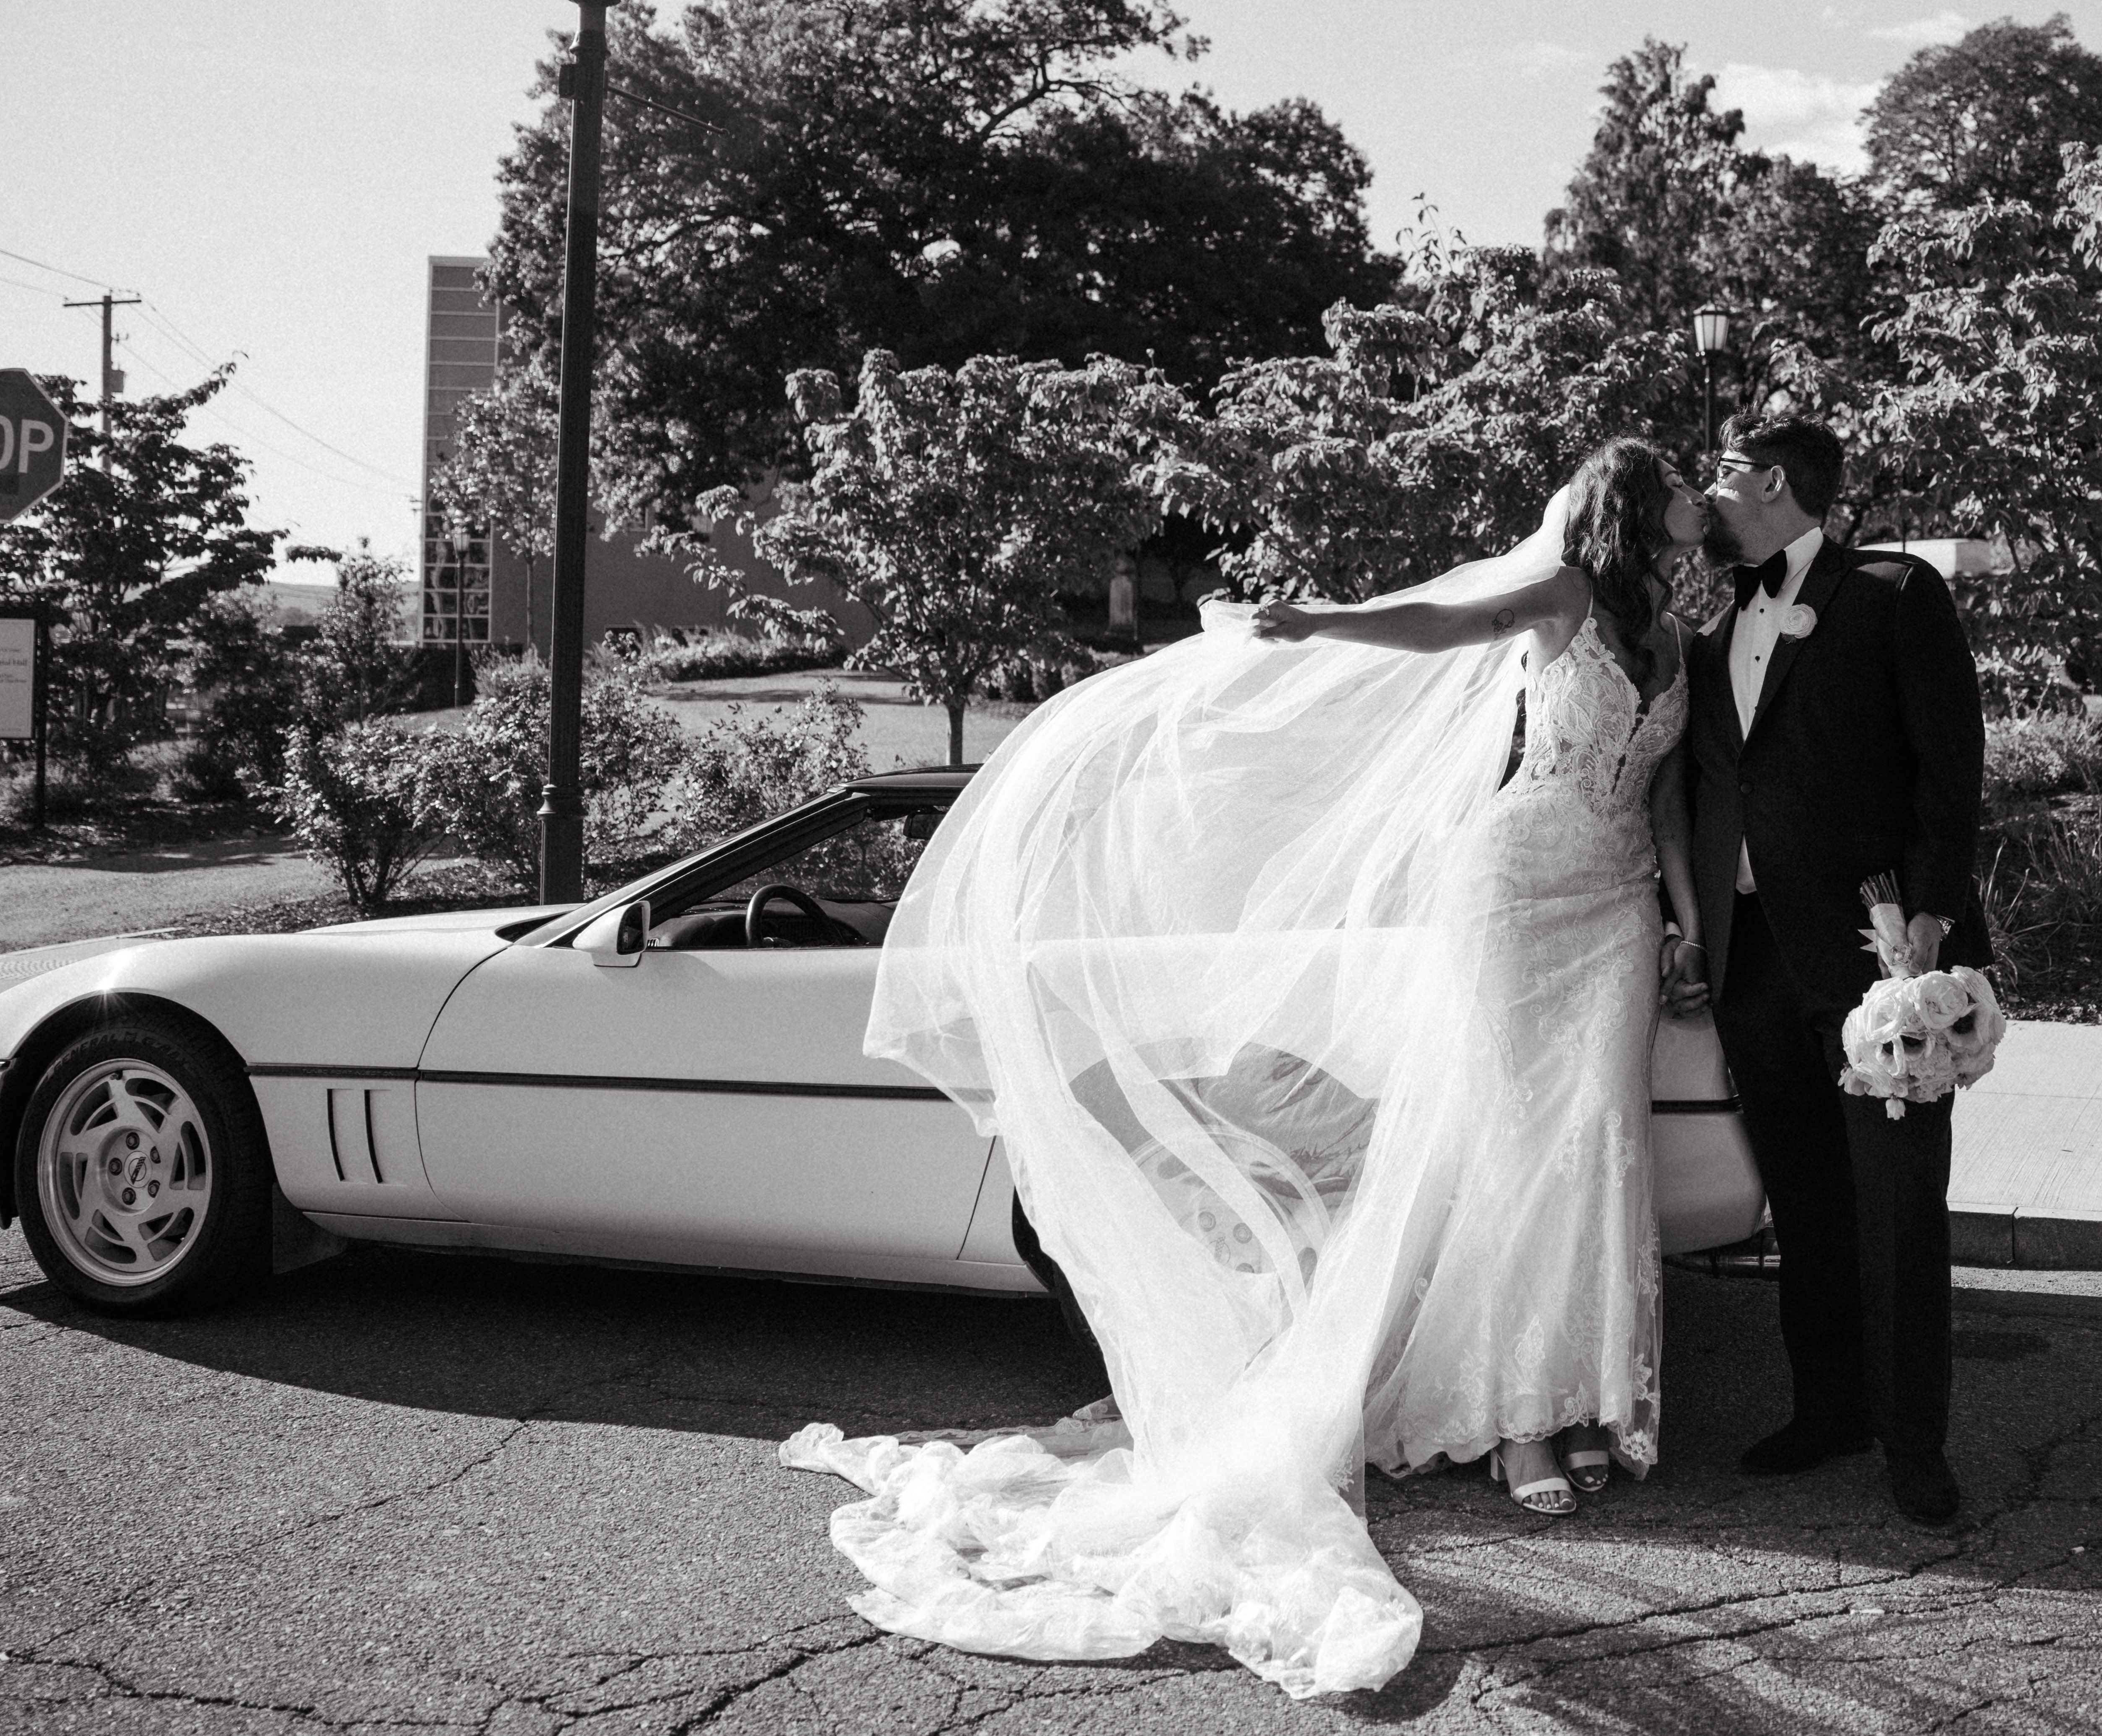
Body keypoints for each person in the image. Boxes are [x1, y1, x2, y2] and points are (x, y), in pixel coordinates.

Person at [783, 437, 1714, 1697]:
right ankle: (1516, 1420)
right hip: (1510, 886)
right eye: (1674, 487)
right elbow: (1446, 624)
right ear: (1627, 506)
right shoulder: (1556, 599)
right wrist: (1319, 615)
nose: (1694, 501)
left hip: (1611, 904)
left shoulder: (1675, 630)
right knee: (1508, 1149)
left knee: (1591, 1143)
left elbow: (1664, 796)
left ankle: (1584, 1393)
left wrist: (1684, 919)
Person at [1687, 417, 1986, 1531]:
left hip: (1879, 958)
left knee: (1898, 1208)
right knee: (1805, 1200)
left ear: (1769, 481)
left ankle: (1915, 1444)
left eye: (1718, 473)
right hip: (1753, 956)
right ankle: (1828, 1409)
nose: (1704, 491)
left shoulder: (1894, 592)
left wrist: (1928, 919)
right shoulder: (1711, 610)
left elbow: (1950, 767)